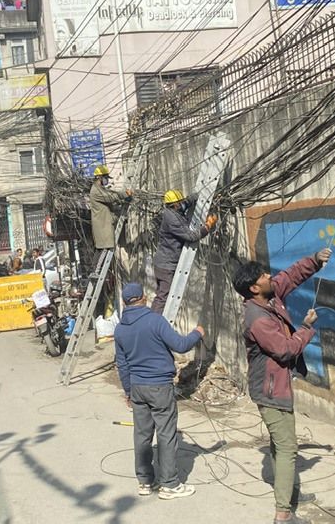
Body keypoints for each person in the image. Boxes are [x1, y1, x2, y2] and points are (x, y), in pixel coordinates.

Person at [233, 247, 332, 524]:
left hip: (277, 385)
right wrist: (306, 327)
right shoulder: (258, 319)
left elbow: (291, 276)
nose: (270, 276)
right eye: (264, 276)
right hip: (270, 391)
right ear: (254, 288)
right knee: (288, 448)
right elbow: (286, 350)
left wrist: (314, 260)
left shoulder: (269, 295)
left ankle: (288, 494)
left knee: (280, 445)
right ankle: (283, 515)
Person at [114, 282, 203, 500]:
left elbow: (122, 364)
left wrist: (128, 391)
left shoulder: (120, 329)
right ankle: (170, 484)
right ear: (143, 298)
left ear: (125, 303)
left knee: (142, 435)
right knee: (166, 434)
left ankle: (145, 481)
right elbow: (181, 345)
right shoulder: (154, 321)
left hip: (137, 387)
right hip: (159, 386)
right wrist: (197, 333)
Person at [152, 190, 218, 314]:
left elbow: (188, 200)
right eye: (180, 203)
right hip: (166, 265)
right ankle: (153, 325)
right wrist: (208, 226)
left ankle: (153, 322)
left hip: (163, 262)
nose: (183, 204)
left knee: (161, 294)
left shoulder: (174, 210)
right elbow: (191, 237)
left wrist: (208, 192)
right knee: (163, 297)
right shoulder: (172, 219)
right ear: (175, 205)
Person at [89, 165, 132, 251]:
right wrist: (125, 194)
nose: (107, 180)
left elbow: (111, 195)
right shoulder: (96, 191)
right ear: (99, 177)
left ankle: (95, 265)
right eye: (105, 177)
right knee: (103, 251)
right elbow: (110, 197)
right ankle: (94, 265)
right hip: (102, 227)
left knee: (105, 249)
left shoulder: (100, 188)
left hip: (105, 225)